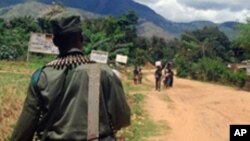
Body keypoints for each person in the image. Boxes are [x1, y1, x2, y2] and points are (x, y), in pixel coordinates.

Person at [11, 15, 130, 141]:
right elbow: (122, 120)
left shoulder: (42, 76)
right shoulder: (101, 73)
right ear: (82, 39)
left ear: (55, 42)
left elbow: (25, 128)